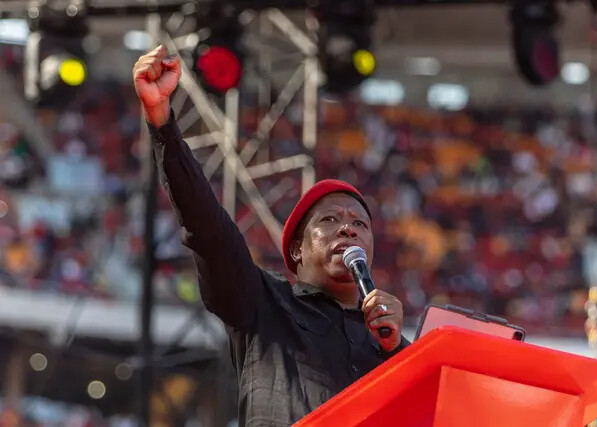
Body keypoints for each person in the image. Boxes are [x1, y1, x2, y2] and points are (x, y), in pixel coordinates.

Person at [133, 45, 410, 426]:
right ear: (296, 249)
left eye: (360, 224)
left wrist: (397, 350)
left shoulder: (390, 343)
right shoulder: (263, 303)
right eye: (329, 220)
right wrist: (162, 122)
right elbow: (208, 228)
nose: (348, 227)